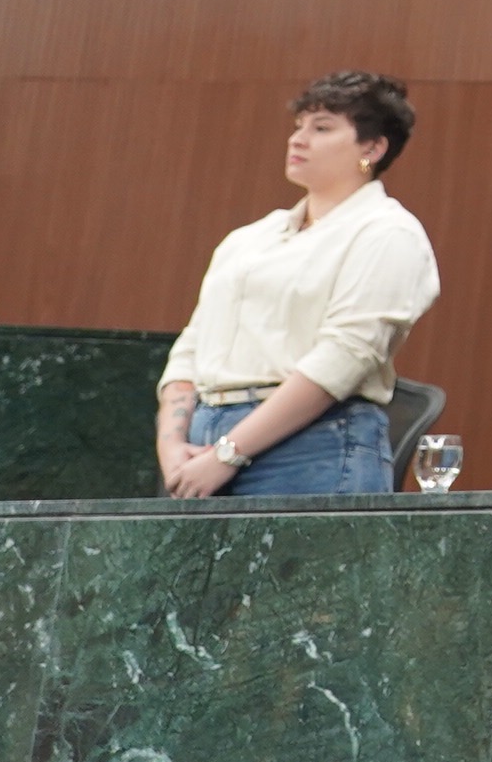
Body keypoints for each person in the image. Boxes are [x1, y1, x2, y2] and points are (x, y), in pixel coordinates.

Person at [154, 72, 443, 498]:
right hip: (200, 444)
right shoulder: (249, 238)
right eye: (298, 126)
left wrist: (228, 453)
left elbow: (342, 358)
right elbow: (192, 347)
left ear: (372, 148)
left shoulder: (387, 232)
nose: (298, 140)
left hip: (313, 447)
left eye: (321, 128)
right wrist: (171, 445)